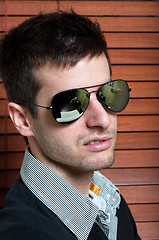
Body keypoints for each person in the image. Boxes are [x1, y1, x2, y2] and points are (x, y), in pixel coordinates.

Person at [0, 10, 141, 240]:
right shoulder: (21, 233)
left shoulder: (109, 201)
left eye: (108, 94)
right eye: (71, 103)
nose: (103, 120)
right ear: (23, 120)